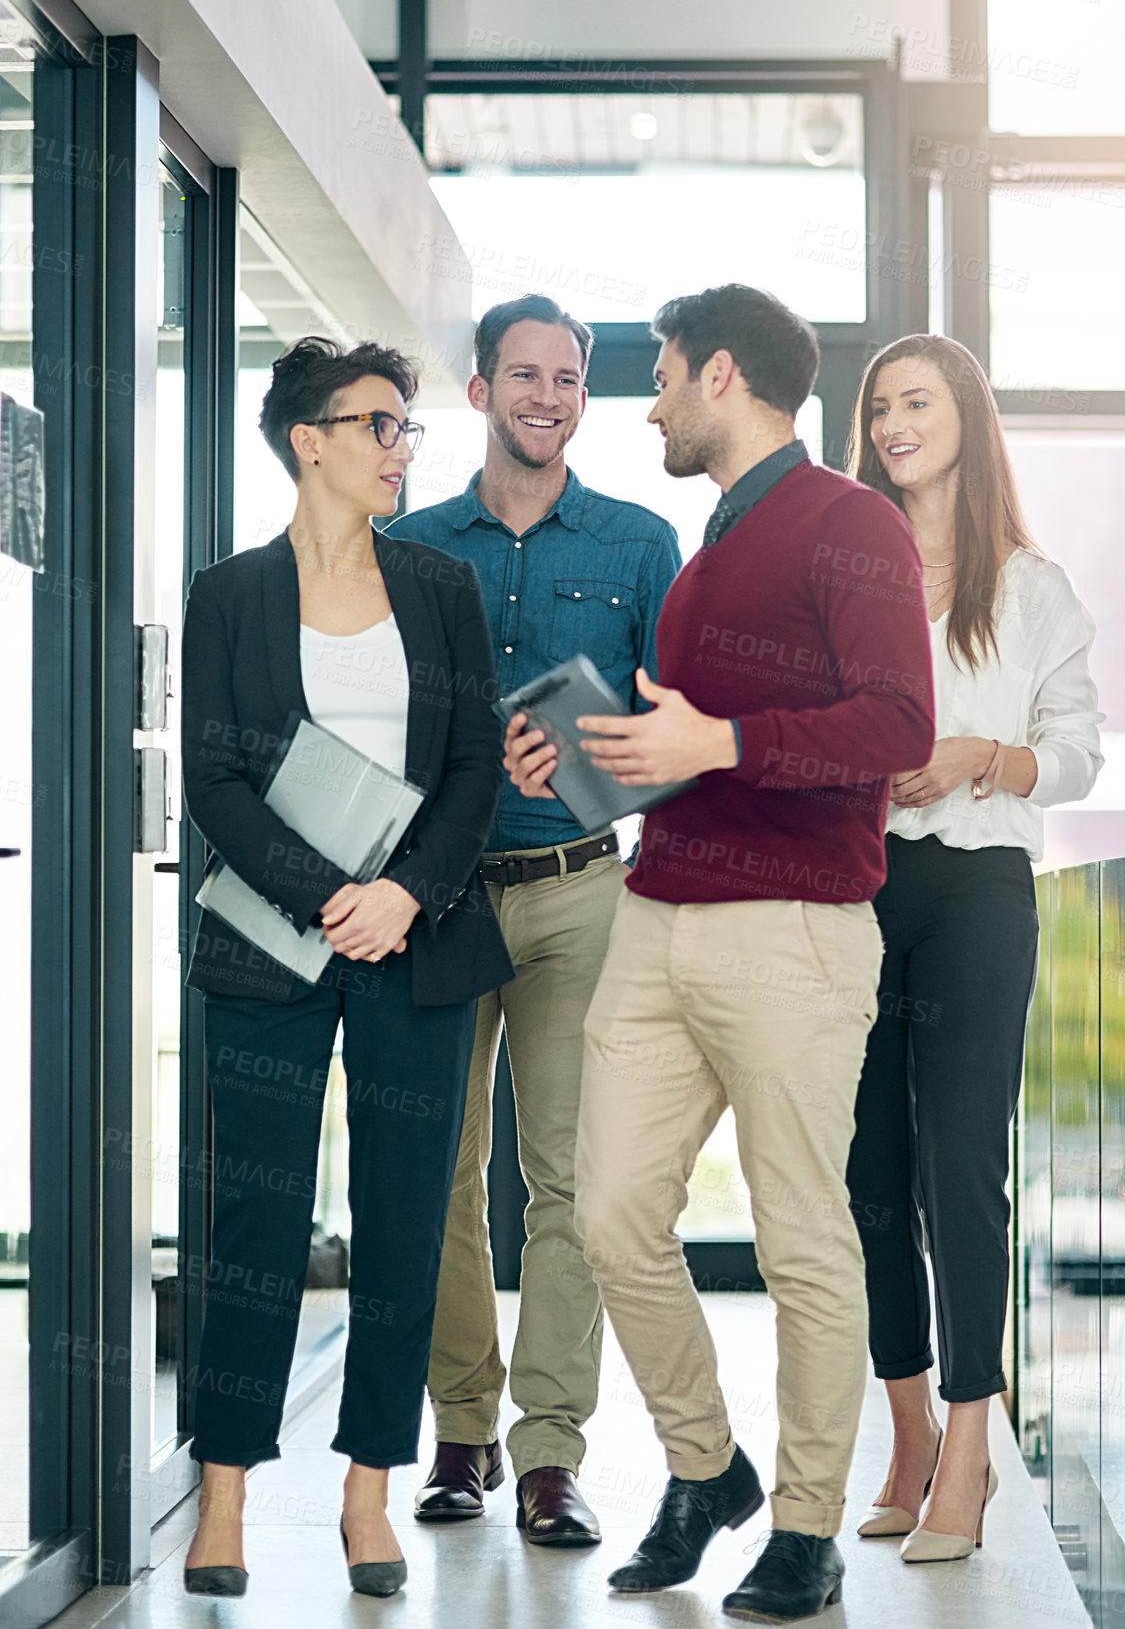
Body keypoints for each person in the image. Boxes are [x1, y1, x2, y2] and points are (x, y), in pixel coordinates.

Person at [506, 283, 936, 1623]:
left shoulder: (851, 524)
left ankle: (804, 1525)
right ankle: (706, 1464)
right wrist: (590, 759)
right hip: (657, 913)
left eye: (663, 377)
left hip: (792, 929)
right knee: (606, 1207)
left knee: (801, 1233)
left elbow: (899, 725)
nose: (646, 405)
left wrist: (721, 744)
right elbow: (685, 744)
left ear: (722, 375)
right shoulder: (705, 554)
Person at [180, 336, 514, 1599]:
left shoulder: (437, 587)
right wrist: (326, 895)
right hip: (270, 947)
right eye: (378, 425)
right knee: (254, 1221)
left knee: (404, 1223)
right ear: (306, 439)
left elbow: (477, 764)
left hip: (413, 949)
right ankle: (225, 1498)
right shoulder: (230, 593)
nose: (400, 448)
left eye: (406, 428)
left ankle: (370, 1494)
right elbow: (212, 780)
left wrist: (401, 895)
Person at [384, 294, 681, 1545]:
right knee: (441, 1172)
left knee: (571, 1177)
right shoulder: (407, 542)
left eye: (568, 377)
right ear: (479, 392)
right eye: (524, 373)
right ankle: (463, 1436)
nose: (548, 395)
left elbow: (681, 737)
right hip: (437, 901)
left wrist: (591, 759)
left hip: (579, 891)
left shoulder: (637, 542)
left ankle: (551, 1450)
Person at [844, 333, 1103, 1563]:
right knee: (868, 1173)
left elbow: (1079, 749)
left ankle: (969, 1451)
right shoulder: (845, 567)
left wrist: (977, 761)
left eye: (919, 403)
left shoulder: (1033, 585)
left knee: (960, 1172)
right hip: (855, 882)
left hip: (981, 888)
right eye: (881, 407)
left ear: (967, 418)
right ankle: (903, 1438)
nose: (896, 424)